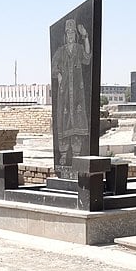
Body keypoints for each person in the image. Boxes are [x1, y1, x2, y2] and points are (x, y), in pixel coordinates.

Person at [51, 18, 91, 168]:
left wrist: (86, 37)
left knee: (77, 121)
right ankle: (62, 155)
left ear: (75, 34)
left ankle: (77, 155)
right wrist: (59, 74)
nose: (70, 36)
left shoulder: (79, 48)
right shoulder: (61, 51)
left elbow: (87, 58)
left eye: (73, 33)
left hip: (78, 93)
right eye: (68, 33)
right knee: (64, 119)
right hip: (64, 93)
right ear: (65, 35)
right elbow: (54, 67)